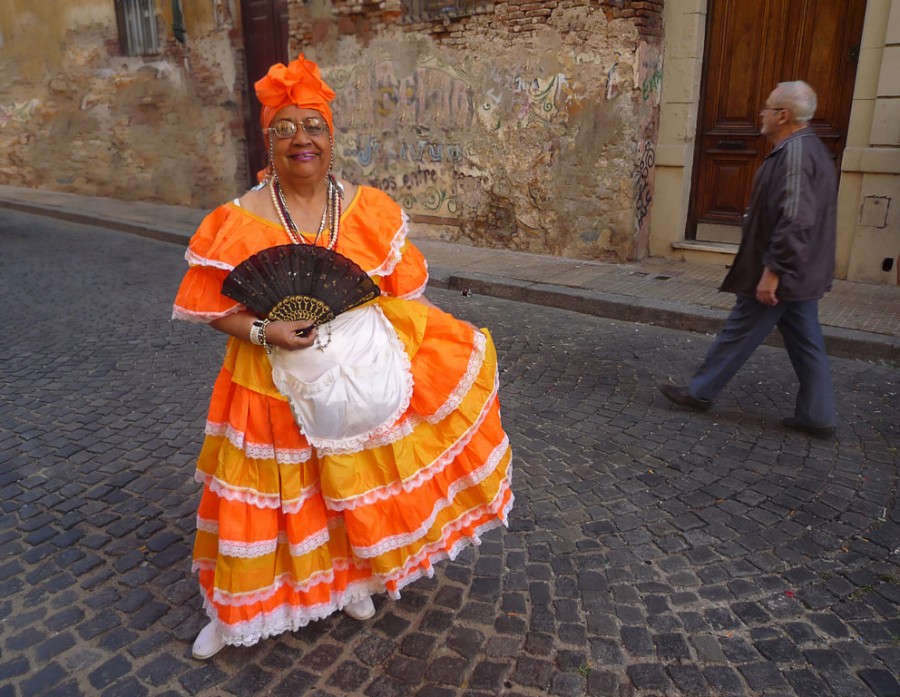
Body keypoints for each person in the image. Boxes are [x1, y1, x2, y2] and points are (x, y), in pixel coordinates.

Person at [172, 54, 514, 659]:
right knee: (271, 491)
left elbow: (402, 294)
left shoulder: (369, 209)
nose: (301, 139)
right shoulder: (236, 220)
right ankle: (235, 613)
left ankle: (348, 581)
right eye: (286, 128)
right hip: (268, 385)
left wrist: (403, 358)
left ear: (331, 137)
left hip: (353, 374)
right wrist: (265, 332)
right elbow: (209, 308)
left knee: (346, 483)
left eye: (315, 126)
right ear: (269, 141)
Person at [658, 80, 837, 439]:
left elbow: (796, 218)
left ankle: (700, 391)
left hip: (783, 272)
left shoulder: (797, 153)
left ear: (783, 115)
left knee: (740, 329)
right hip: (799, 272)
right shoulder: (803, 149)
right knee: (806, 343)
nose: (761, 114)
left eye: (767, 109)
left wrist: (773, 271)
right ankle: (817, 414)